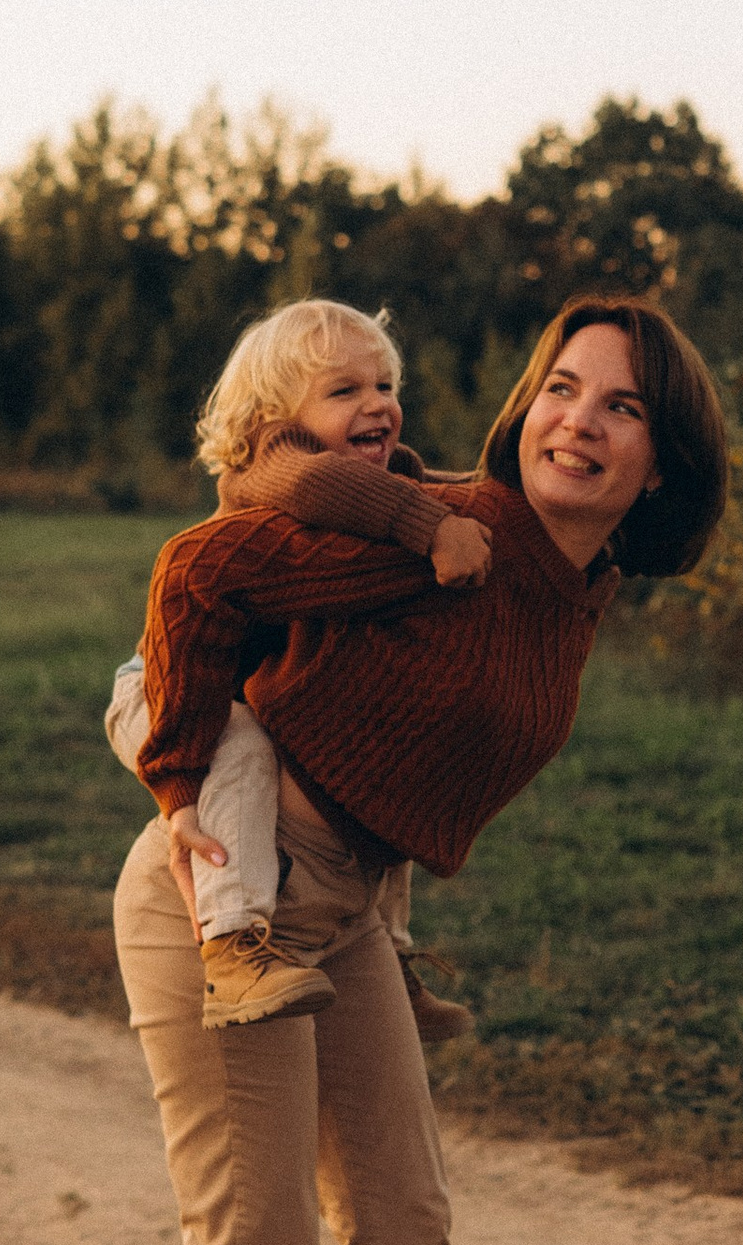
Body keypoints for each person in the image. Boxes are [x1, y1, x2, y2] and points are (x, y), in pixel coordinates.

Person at [58, 296, 729, 1245]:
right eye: (559, 386)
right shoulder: (443, 525)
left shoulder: (570, 586)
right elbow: (211, 557)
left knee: (406, 1232)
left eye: (618, 407)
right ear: (522, 409)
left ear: (660, 463)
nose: (577, 419)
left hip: (344, 912)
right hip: (223, 902)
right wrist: (178, 763)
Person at [102, 298, 487, 1035]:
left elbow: (446, 487)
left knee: (377, 759)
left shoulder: (380, 480)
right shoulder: (279, 464)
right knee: (239, 742)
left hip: (226, 684)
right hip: (163, 685)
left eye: (385, 386)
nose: (377, 405)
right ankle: (233, 947)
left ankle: (395, 959)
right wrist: (431, 526)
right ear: (275, 418)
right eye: (345, 392)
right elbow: (330, 491)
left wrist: (509, 503)